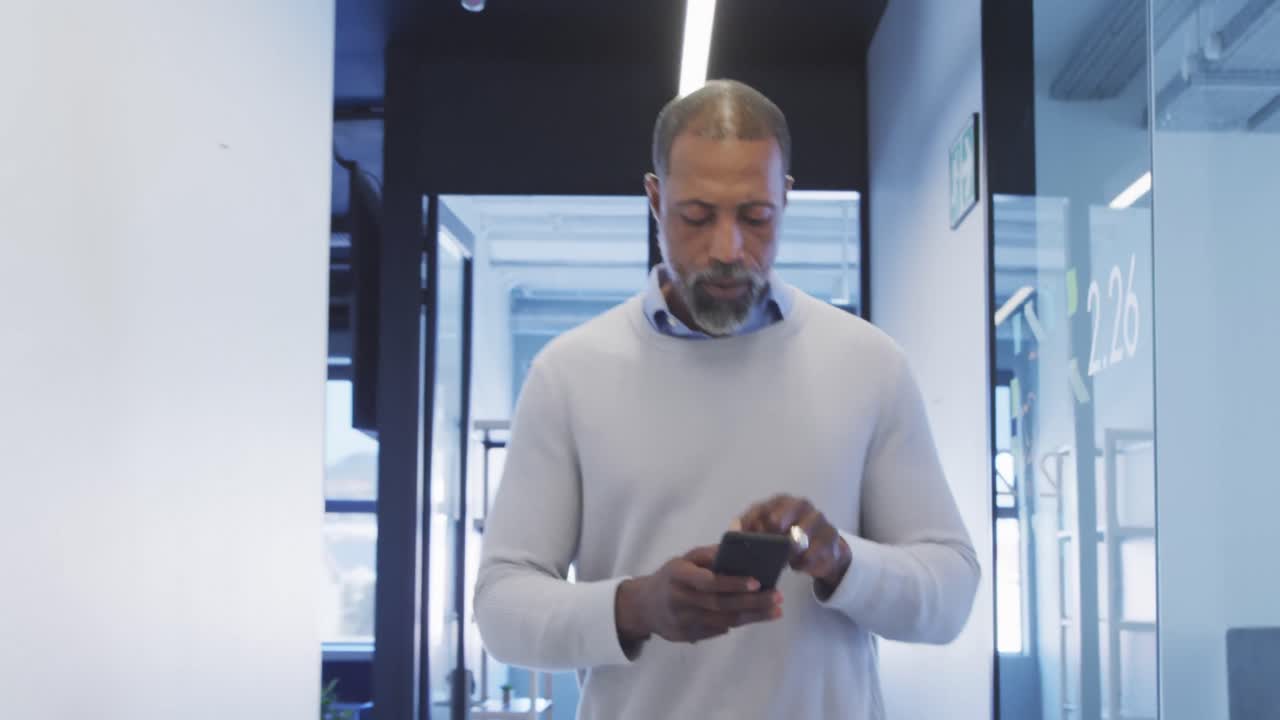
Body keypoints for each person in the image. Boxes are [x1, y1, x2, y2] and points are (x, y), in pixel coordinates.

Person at [474, 79, 979, 719]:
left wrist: (841, 561)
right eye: (696, 217)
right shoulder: (569, 373)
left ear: (785, 198)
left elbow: (951, 593)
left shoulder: (869, 363)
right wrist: (636, 605)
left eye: (755, 217)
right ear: (655, 200)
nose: (727, 249)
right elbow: (500, 607)